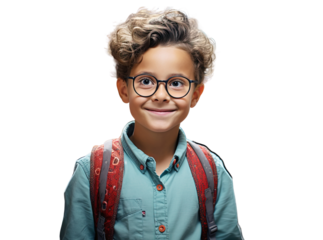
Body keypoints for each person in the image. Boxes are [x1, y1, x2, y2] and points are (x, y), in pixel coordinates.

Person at [58, 6, 246, 240]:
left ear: (196, 94)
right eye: (146, 81)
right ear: (122, 90)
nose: (160, 95)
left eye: (176, 83)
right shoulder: (92, 171)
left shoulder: (212, 171)